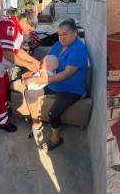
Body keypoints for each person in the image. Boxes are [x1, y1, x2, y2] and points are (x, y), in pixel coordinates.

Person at [24, 18, 88, 150]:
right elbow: (47, 59)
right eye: (59, 35)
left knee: (53, 114)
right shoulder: (59, 45)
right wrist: (35, 72)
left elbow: (67, 73)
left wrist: (44, 80)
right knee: (30, 92)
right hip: (54, 82)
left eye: (65, 34)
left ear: (75, 33)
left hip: (71, 89)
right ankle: (36, 124)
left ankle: (56, 139)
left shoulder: (78, 49)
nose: (62, 38)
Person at [0, 13, 40, 132]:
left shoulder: (16, 28)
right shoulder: (8, 26)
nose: (27, 33)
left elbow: (18, 51)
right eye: (29, 29)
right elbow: (9, 55)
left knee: (5, 88)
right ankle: (2, 122)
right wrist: (28, 65)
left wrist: (33, 61)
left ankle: (5, 109)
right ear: (25, 21)